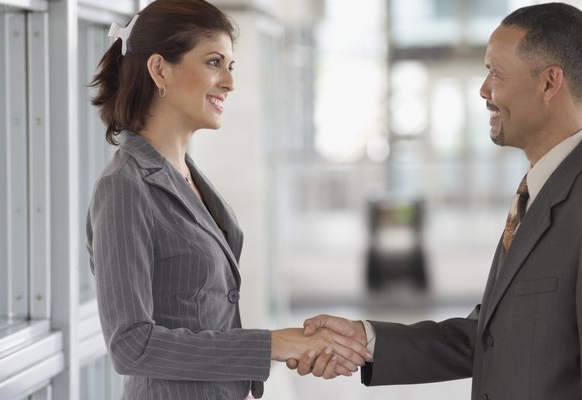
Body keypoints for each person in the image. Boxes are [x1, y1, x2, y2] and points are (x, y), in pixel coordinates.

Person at [289, 3, 582, 399]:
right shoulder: (539, 191)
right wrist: (365, 339)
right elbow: (488, 337)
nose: (483, 90)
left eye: (496, 73)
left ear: (550, 83)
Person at [85, 1, 369, 399]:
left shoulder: (187, 175)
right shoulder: (124, 186)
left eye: (230, 66)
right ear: (159, 69)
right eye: (214, 62)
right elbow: (132, 345)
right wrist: (272, 344)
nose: (229, 82)